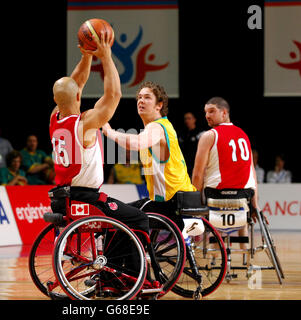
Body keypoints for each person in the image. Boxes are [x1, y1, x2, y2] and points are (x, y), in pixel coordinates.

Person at [49, 31, 149, 285]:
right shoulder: (85, 124)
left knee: (121, 218)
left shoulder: (55, 117)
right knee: (137, 218)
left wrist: (85, 57)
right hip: (87, 198)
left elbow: (74, 85)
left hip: (63, 196)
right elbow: (113, 96)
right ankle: (128, 279)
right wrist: (105, 57)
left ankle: (111, 272)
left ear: (55, 100)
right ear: (79, 99)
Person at [102, 81, 196, 231]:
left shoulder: (157, 126)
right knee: (124, 213)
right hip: (175, 199)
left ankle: (128, 255)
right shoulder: (158, 127)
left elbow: (136, 143)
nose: (141, 100)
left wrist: (109, 132)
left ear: (159, 105)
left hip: (169, 202)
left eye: (147, 97)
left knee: (118, 216)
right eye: (139, 97)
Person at [191, 97, 262, 249]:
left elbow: (198, 173)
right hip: (243, 198)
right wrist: (256, 205)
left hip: (217, 198)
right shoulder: (243, 135)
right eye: (205, 112)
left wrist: (193, 202)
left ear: (224, 113)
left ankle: (216, 256)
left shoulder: (209, 135)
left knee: (219, 207)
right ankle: (244, 254)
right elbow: (252, 174)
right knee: (241, 207)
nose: (207, 116)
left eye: (211, 111)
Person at [178, 112, 205, 177]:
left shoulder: (201, 133)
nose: (187, 121)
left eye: (189, 118)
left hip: (198, 165)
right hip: (185, 166)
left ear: (194, 119)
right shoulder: (182, 135)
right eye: (185, 119)